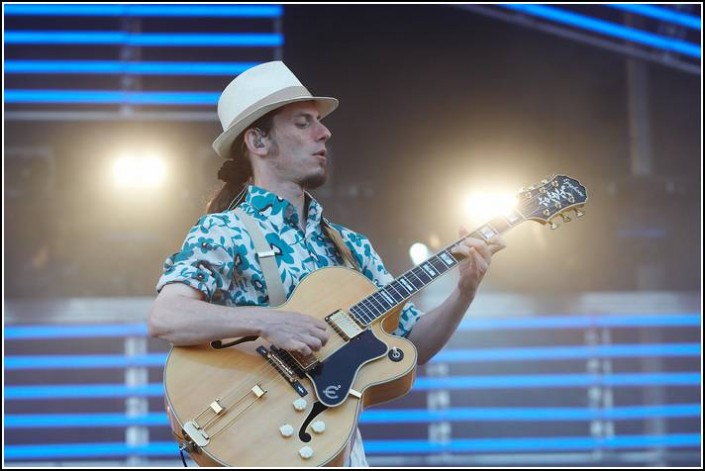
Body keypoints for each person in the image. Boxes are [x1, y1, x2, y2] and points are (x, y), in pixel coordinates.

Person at [149, 61, 505, 467]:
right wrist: (268, 322)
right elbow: (167, 316)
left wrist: (465, 291)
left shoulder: (352, 247)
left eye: (318, 122)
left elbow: (414, 345)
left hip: (333, 447)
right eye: (303, 123)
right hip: (248, 442)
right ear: (258, 142)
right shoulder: (223, 230)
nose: (324, 133)